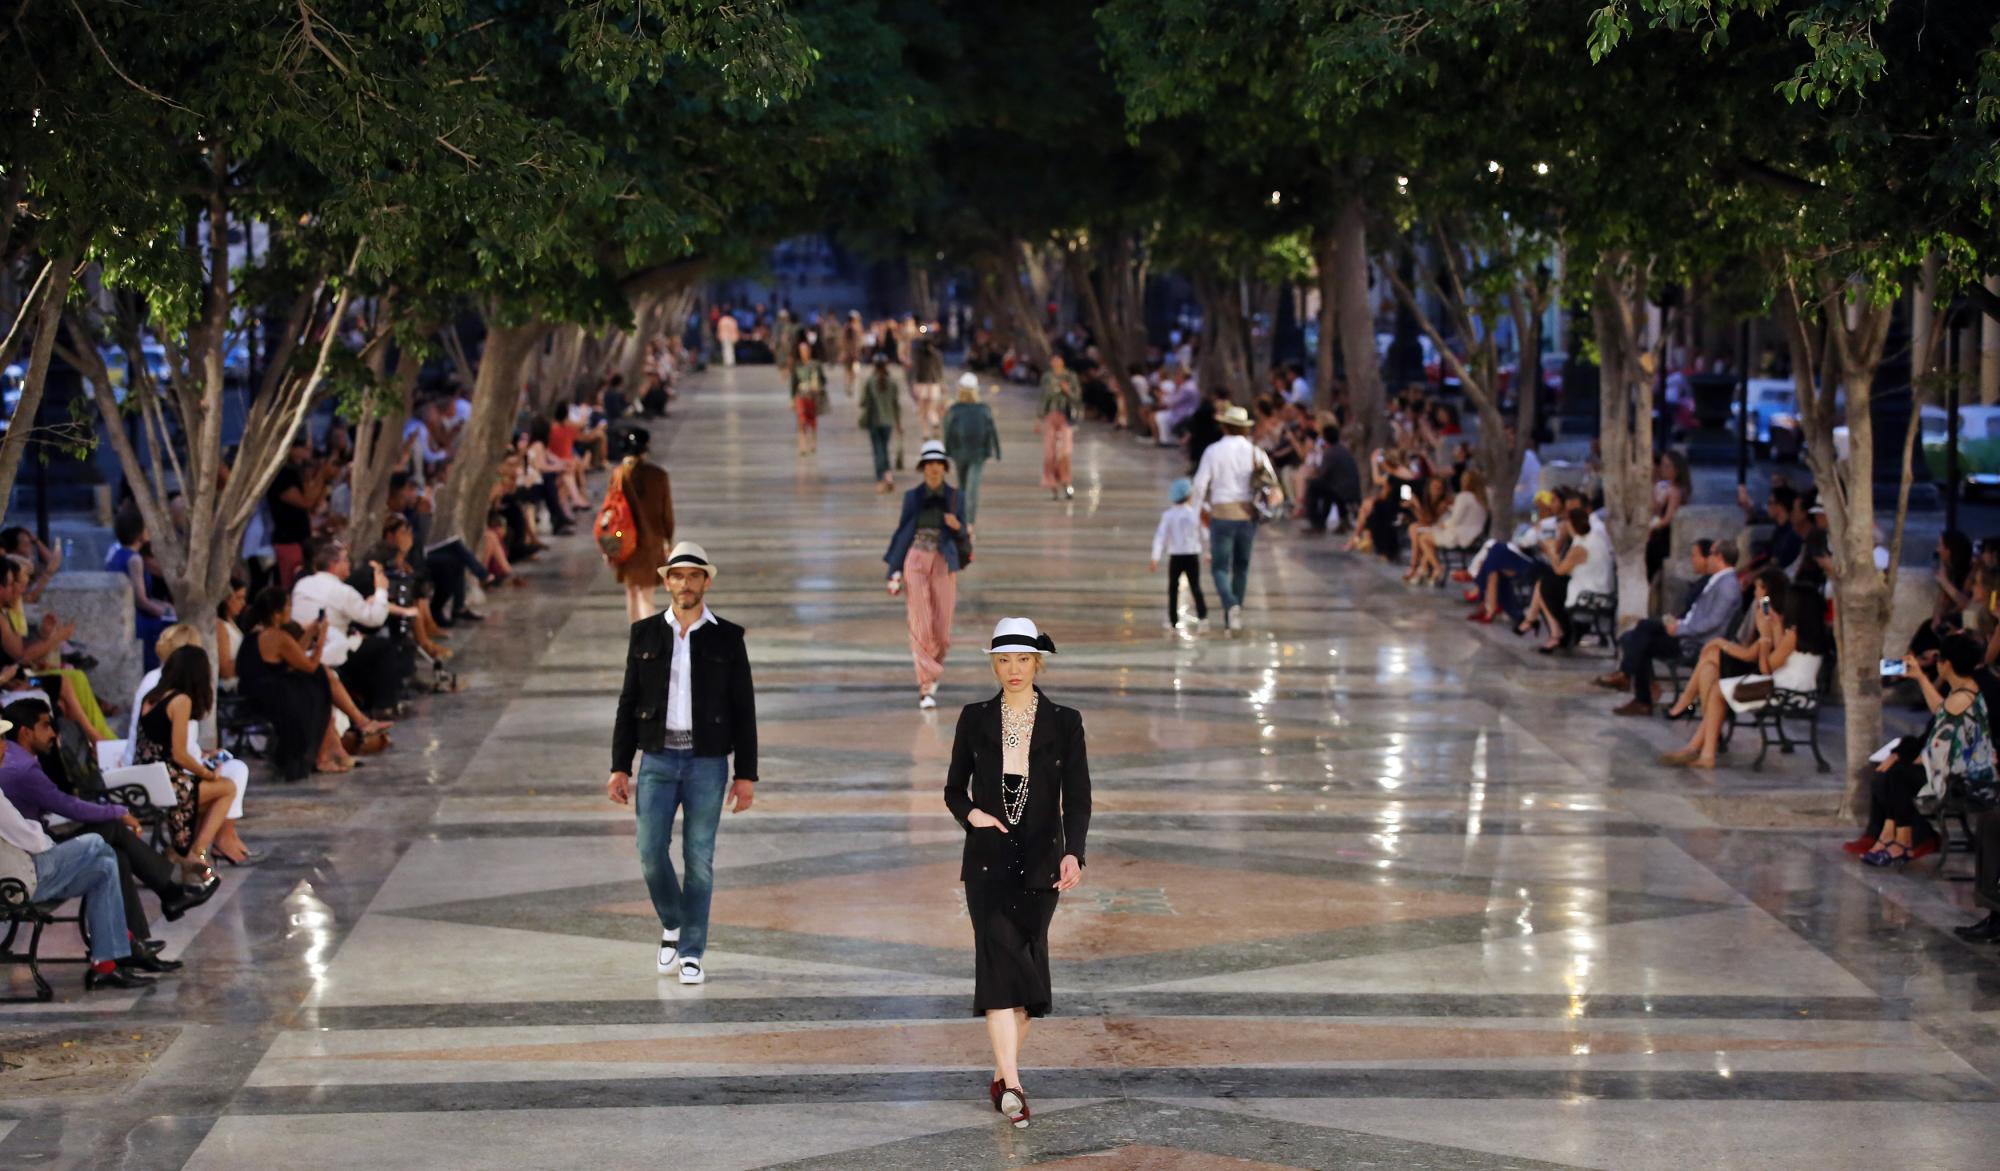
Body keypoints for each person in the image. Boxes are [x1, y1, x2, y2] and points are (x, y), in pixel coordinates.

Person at [943, 617, 1090, 1130]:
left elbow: (1079, 798)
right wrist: (972, 815)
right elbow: (953, 789)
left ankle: (1003, 1076)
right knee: (998, 957)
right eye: (1003, 660)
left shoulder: (1065, 722)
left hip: (1043, 863)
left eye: (1022, 659)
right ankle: (1015, 1086)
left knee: (1025, 978)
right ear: (993, 663)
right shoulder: (974, 717)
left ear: (1037, 662)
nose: (1013, 669)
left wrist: (1076, 854)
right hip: (986, 862)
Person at [607, 542, 759, 987]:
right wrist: (620, 766)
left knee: (700, 859)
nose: (685, 584)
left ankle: (691, 950)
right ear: (666, 581)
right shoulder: (645, 634)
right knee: (650, 852)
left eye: (694, 576)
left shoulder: (727, 637)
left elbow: (743, 707)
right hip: (656, 758)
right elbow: (627, 702)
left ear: (706, 582)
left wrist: (746, 774)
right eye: (678, 575)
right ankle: (673, 921)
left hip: (707, 763)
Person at [0, 698, 213, 970]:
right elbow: (46, 821)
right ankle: (166, 896)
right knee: (102, 838)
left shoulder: (17, 763)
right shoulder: (20, 768)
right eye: (45, 726)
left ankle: (121, 952)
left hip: (25, 853)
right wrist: (115, 811)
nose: (53, 733)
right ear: (26, 732)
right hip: (24, 865)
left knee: (110, 860)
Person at [0, 776, 152, 990]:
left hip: (18, 875)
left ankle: (105, 966)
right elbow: (29, 837)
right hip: (18, 883)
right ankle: (125, 939)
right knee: (97, 842)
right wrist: (49, 842)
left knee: (104, 867)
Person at [1859, 634, 1993, 867]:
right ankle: (1892, 836)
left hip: (1964, 780)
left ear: (1947, 664)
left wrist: (1913, 760)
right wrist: (1921, 677)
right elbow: (1941, 709)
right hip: (1960, 771)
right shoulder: (1966, 690)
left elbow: (1941, 733)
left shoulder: (1962, 697)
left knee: (1898, 774)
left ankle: (1902, 839)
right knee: (1893, 773)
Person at [1662, 583, 1828, 768]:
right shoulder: (1812, 635)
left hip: (1782, 691)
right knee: (1719, 687)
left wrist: (1765, 637)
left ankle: (1705, 753)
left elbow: (1766, 668)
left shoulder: (1793, 636)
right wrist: (1775, 626)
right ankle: (1697, 748)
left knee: (1718, 690)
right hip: (1798, 691)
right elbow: (1781, 657)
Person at [1600, 539, 1742, 716]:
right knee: (1636, 635)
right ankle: (1635, 687)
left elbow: (1712, 622)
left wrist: (1680, 629)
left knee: (1639, 638)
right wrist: (1679, 624)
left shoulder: (1727, 585)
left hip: (1695, 643)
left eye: (1711, 554)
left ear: (1719, 557)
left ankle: (1634, 685)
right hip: (1687, 631)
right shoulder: (1718, 580)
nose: (1708, 559)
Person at [133, 646, 237, 884]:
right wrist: (206, 773)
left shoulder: (152, 697)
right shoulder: (180, 700)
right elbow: (179, 754)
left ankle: (180, 852)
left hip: (145, 778)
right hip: (166, 780)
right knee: (227, 787)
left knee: (203, 796)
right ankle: (195, 853)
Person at [885, 441, 970, 710]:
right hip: (916, 560)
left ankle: (933, 670)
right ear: (923, 468)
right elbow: (903, 532)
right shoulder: (912, 497)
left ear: (944, 468)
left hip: (944, 562)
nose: (934, 469)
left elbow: (965, 538)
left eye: (938, 464)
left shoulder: (957, 497)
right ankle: (925, 686)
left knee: (942, 632)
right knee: (920, 623)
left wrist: (958, 528)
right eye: (929, 465)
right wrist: (895, 570)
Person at [238, 588, 351, 779]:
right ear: (277, 613)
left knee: (320, 679)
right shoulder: (277, 636)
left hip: (256, 691)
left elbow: (294, 653)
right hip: (271, 696)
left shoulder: (258, 634)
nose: (291, 610)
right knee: (320, 680)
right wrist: (321, 637)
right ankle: (321, 755)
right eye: (288, 606)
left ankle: (328, 750)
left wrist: (308, 633)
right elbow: (310, 666)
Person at [290, 541, 408, 719]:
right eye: (345, 560)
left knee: (364, 643)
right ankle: (384, 706)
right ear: (333, 565)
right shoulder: (341, 590)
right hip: (329, 649)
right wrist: (381, 591)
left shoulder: (302, 584)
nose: (349, 565)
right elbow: (374, 619)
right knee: (383, 648)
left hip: (304, 647)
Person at [1189, 403, 1273, 632]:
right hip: (1248, 514)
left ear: (1224, 426)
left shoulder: (1213, 451)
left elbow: (1199, 485)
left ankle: (1230, 603)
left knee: (1219, 567)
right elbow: (1272, 483)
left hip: (1222, 513)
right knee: (1242, 566)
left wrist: (1196, 511)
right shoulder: (1256, 452)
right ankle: (1234, 615)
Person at [605, 426, 676, 623]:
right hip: (651, 541)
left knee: (632, 592)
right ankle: (647, 641)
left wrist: (610, 546)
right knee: (647, 594)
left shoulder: (619, 475)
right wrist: (668, 541)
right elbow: (666, 514)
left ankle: (637, 638)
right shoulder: (659, 476)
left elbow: (611, 514)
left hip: (625, 540)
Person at [105, 509, 177, 671]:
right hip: (138, 621)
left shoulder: (116, 553)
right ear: (138, 533)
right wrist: (167, 613)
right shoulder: (134, 559)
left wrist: (164, 605)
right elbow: (141, 600)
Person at [266, 434, 329, 590]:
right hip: (288, 541)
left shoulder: (296, 473)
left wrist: (319, 478)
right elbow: (306, 501)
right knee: (290, 586)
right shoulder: (280, 476)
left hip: (302, 540)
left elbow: (314, 503)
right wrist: (323, 474)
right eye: (303, 447)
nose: (308, 451)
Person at [1406, 469, 1488, 587]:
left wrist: (1443, 525)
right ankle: (1423, 568)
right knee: (1420, 531)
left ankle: (1436, 568)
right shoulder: (1482, 499)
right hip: (1473, 535)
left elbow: (1454, 520)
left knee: (1423, 538)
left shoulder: (1464, 497)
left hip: (1459, 536)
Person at [1151, 478, 1207, 631]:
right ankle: (1203, 617)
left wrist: (1155, 557)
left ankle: (1172, 620)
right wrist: (1208, 552)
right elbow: (1204, 532)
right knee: (1195, 586)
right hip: (1192, 555)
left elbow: (1160, 536)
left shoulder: (1168, 515)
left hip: (1176, 556)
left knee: (1172, 588)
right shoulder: (1194, 514)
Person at [944, 374, 1001, 524]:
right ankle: (969, 522)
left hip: (960, 453)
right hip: (978, 454)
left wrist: (946, 453)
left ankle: (964, 521)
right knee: (972, 489)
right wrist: (996, 451)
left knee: (963, 487)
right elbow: (992, 431)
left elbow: (948, 431)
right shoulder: (983, 409)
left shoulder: (954, 410)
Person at [859, 352, 903, 493]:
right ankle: (888, 476)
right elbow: (896, 404)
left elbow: (864, 402)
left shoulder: (870, 381)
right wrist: (898, 423)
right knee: (884, 449)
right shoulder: (893, 382)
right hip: (889, 421)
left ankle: (880, 479)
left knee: (878, 451)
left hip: (874, 421)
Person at [1037, 356, 1081, 501]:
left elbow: (1077, 398)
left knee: (1064, 453)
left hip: (1065, 417)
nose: (1055, 363)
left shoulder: (1070, 377)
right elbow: (1043, 397)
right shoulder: (1047, 377)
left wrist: (1067, 390)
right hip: (1050, 416)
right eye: (1053, 360)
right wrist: (1039, 418)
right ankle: (1052, 484)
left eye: (1058, 359)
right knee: (1050, 453)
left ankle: (1067, 483)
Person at [789, 334, 827, 456]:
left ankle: (813, 443)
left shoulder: (816, 365)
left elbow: (823, 380)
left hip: (813, 396)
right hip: (801, 395)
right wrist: (791, 399)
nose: (803, 352)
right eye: (801, 350)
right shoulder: (797, 366)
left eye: (805, 350)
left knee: (812, 421)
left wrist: (818, 385)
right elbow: (793, 384)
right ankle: (802, 445)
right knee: (801, 421)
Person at [910, 329, 946, 438]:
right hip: (934, 385)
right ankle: (935, 422)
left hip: (921, 385)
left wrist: (913, 384)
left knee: (922, 412)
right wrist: (942, 384)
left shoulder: (918, 355)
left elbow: (915, 370)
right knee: (932, 409)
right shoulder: (938, 355)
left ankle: (926, 432)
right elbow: (940, 371)